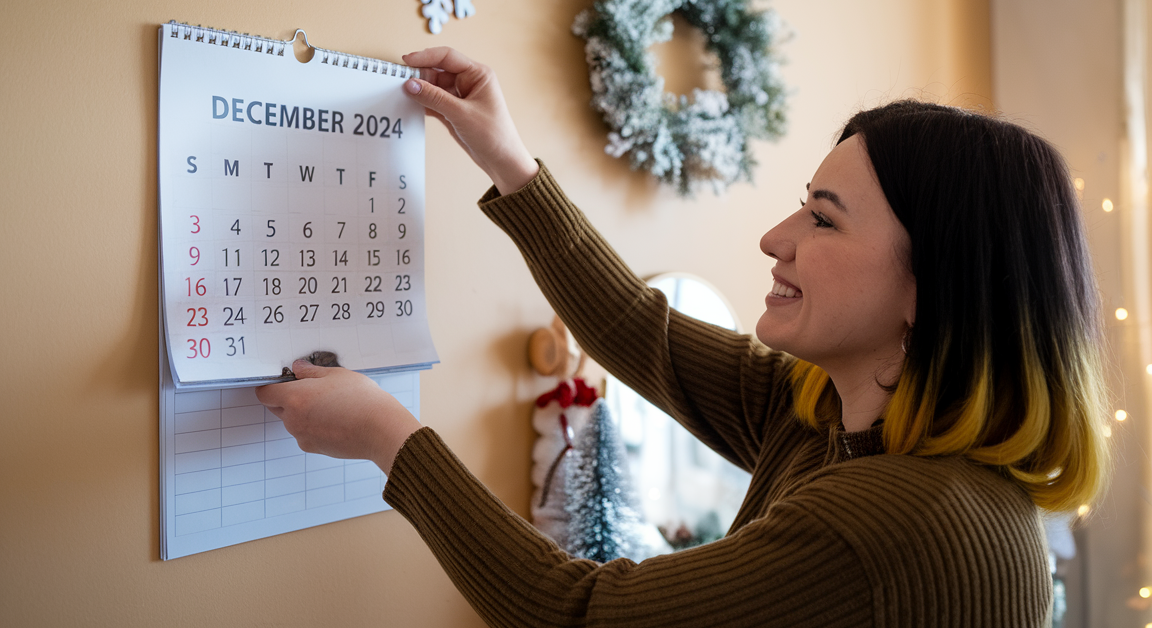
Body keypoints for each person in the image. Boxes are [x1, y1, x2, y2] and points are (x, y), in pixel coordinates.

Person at [256, 47, 1112, 627]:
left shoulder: (901, 520)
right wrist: (510, 162)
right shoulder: (831, 414)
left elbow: (579, 614)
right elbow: (641, 330)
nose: (776, 237)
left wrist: (386, 435)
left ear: (933, 286)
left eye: (822, 218)